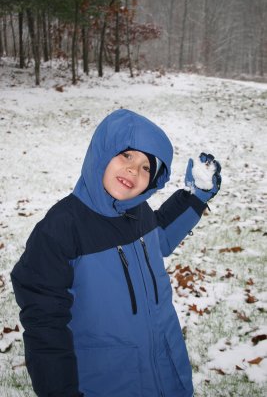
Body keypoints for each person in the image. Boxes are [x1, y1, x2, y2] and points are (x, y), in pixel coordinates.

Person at [11, 109, 221, 397]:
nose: (134, 170)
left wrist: (196, 197)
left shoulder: (137, 210)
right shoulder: (61, 229)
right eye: (126, 156)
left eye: (147, 167)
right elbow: (45, 327)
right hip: (109, 382)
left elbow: (158, 238)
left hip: (166, 370)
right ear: (103, 153)